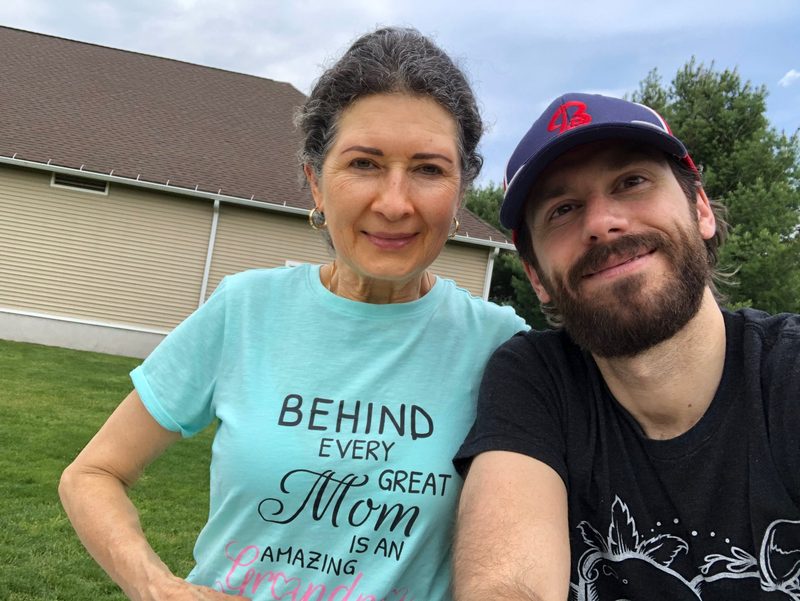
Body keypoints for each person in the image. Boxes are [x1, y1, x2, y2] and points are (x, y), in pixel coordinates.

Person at [59, 27, 526, 601]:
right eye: (364, 163)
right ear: (316, 183)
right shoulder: (246, 310)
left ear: (460, 193)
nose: (395, 202)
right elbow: (92, 475)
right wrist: (157, 587)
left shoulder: (502, 348)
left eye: (429, 169)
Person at [452, 92, 800, 601]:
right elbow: (507, 586)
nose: (601, 223)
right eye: (563, 209)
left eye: (632, 182)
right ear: (536, 278)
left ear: (700, 209)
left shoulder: (788, 373)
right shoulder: (536, 381)